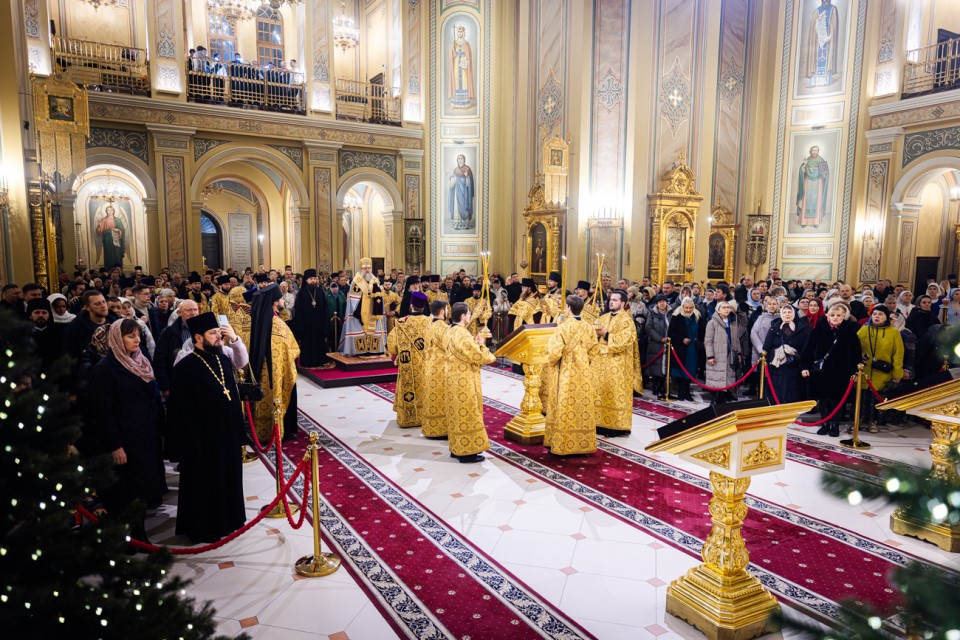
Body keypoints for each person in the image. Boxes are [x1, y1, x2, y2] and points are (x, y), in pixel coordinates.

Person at [169, 313, 246, 542]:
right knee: (205, 485)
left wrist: (238, 432)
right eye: (213, 334)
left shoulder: (222, 359)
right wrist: (191, 445)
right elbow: (181, 412)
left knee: (229, 478)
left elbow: (231, 394)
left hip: (227, 435)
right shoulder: (185, 367)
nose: (218, 338)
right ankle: (205, 528)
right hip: (202, 440)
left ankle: (231, 520)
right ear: (198, 338)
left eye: (218, 332)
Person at [87, 319, 166, 542]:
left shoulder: (141, 362)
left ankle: (140, 535)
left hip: (145, 437)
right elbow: (103, 412)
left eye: (138, 335)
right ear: (116, 339)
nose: (137, 340)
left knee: (141, 490)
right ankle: (124, 540)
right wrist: (115, 445)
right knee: (125, 492)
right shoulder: (105, 369)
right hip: (124, 440)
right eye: (131, 336)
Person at [544, 295, 599, 456]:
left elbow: (554, 352)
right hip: (583, 371)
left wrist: (552, 361)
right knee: (582, 404)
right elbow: (594, 348)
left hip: (566, 371)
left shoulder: (563, 326)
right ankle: (583, 445)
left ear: (568, 308)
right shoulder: (589, 327)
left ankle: (562, 445)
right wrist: (584, 360)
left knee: (564, 404)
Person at [248, 284, 299, 445]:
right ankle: (280, 429)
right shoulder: (276, 323)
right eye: (280, 298)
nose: (283, 300)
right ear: (275, 302)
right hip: (274, 371)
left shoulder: (263, 318)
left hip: (262, 369)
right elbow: (291, 348)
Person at [800, 301, 860, 437]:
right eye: (832, 315)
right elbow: (808, 349)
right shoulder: (819, 329)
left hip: (841, 371)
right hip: (821, 371)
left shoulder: (849, 331)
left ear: (843, 316)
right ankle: (825, 423)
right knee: (823, 398)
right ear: (827, 315)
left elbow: (856, 353)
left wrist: (855, 371)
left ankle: (835, 425)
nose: (835, 318)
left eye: (839, 315)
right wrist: (805, 366)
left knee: (836, 399)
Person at [445, 302, 495, 463]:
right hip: (464, 380)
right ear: (462, 316)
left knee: (455, 413)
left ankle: (456, 447)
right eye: (468, 313)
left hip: (452, 378)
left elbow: (462, 351)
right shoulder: (463, 334)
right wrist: (481, 344)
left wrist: (473, 342)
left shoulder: (449, 330)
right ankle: (467, 452)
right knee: (468, 413)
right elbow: (480, 357)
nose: (469, 316)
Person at [594, 290, 643, 436]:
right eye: (611, 299)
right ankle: (598, 423)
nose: (611, 302)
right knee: (599, 393)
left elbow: (625, 341)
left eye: (615, 300)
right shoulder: (604, 317)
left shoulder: (627, 320)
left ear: (622, 303)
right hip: (600, 362)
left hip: (617, 363)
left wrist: (606, 334)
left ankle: (616, 426)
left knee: (614, 394)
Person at [385, 291, 431, 427]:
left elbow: (392, 347)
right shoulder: (431, 323)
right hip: (427, 364)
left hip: (408, 364)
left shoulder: (401, 323)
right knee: (425, 389)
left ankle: (408, 418)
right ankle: (426, 417)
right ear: (424, 307)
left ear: (411, 306)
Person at [857, 305, 904, 433]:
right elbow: (855, 347)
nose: (877, 316)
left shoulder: (893, 332)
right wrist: (859, 357)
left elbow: (898, 353)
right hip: (864, 371)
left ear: (886, 317)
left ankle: (874, 422)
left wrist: (897, 372)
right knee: (862, 398)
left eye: (880, 314)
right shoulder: (864, 330)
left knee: (876, 399)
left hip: (882, 372)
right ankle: (859, 420)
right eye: (875, 314)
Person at [763, 304, 810, 404]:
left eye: (789, 312)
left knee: (793, 392)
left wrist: (804, 365)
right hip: (777, 366)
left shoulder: (803, 328)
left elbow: (806, 349)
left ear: (793, 313)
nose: (787, 314)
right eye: (784, 312)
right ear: (781, 313)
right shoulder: (774, 328)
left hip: (795, 365)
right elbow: (766, 348)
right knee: (777, 392)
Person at [339, 258, 387, 356]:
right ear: (361, 269)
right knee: (360, 330)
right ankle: (359, 351)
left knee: (374, 330)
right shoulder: (356, 281)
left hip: (373, 311)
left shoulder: (375, 281)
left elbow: (379, 298)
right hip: (358, 311)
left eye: (369, 268)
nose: (367, 270)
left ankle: (375, 350)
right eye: (365, 268)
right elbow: (353, 298)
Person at [704, 301, 745, 404]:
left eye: (728, 307)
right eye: (723, 307)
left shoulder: (733, 322)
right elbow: (708, 341)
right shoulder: (712, 323)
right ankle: (713, 400)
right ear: (718, 310)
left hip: (729, 355)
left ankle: (722, 400)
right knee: (715, 378)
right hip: (716, 356)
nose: (726, 309)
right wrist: (710, 356)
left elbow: (736, 339)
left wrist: (738, 353)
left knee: (726, 379)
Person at [420, 300, 451, 438]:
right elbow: (451, 347)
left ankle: (430, 428)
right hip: (441, 368)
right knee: (441, 399)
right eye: (447, 309)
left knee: (431, 398)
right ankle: (440, 430)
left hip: (429, 366)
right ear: (443, 311)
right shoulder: (443, 328)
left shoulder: (427, 324)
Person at [291, 269, 331, 369]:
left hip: (319, 324)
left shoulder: (320, 292)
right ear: (306, 280)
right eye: (311, 279)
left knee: (319, 343)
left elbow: (325, 308)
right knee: (308, 343)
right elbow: (298, 310)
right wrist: (300, 326)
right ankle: (307, 361)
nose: (313, 281)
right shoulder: (302, 293)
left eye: (314, 278)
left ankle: (320, 361)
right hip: (307, 325)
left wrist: (325, 323)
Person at [668, 297, 702, 402]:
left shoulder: (697, 316)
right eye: (686, 308)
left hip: (692, 349)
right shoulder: (676, 316)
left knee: (690, 370)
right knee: (680, 370)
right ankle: (680, 392)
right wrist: (682, 339)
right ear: (682, 306)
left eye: (690, 308)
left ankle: (687, 392)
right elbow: (671, 333)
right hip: (680, 348)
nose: (688, 310)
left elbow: (701, 331)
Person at [645, 295, 672, 399]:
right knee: (656, 366)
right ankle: (656, 387)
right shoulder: (652, 313)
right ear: (657, 303)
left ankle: (663, 387)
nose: (662, 303)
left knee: (665, 366)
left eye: (664, 301)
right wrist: (660, 338)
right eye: (660, 302)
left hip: (668, 343)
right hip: (656, 343)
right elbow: (649, 327)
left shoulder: (671, 312)